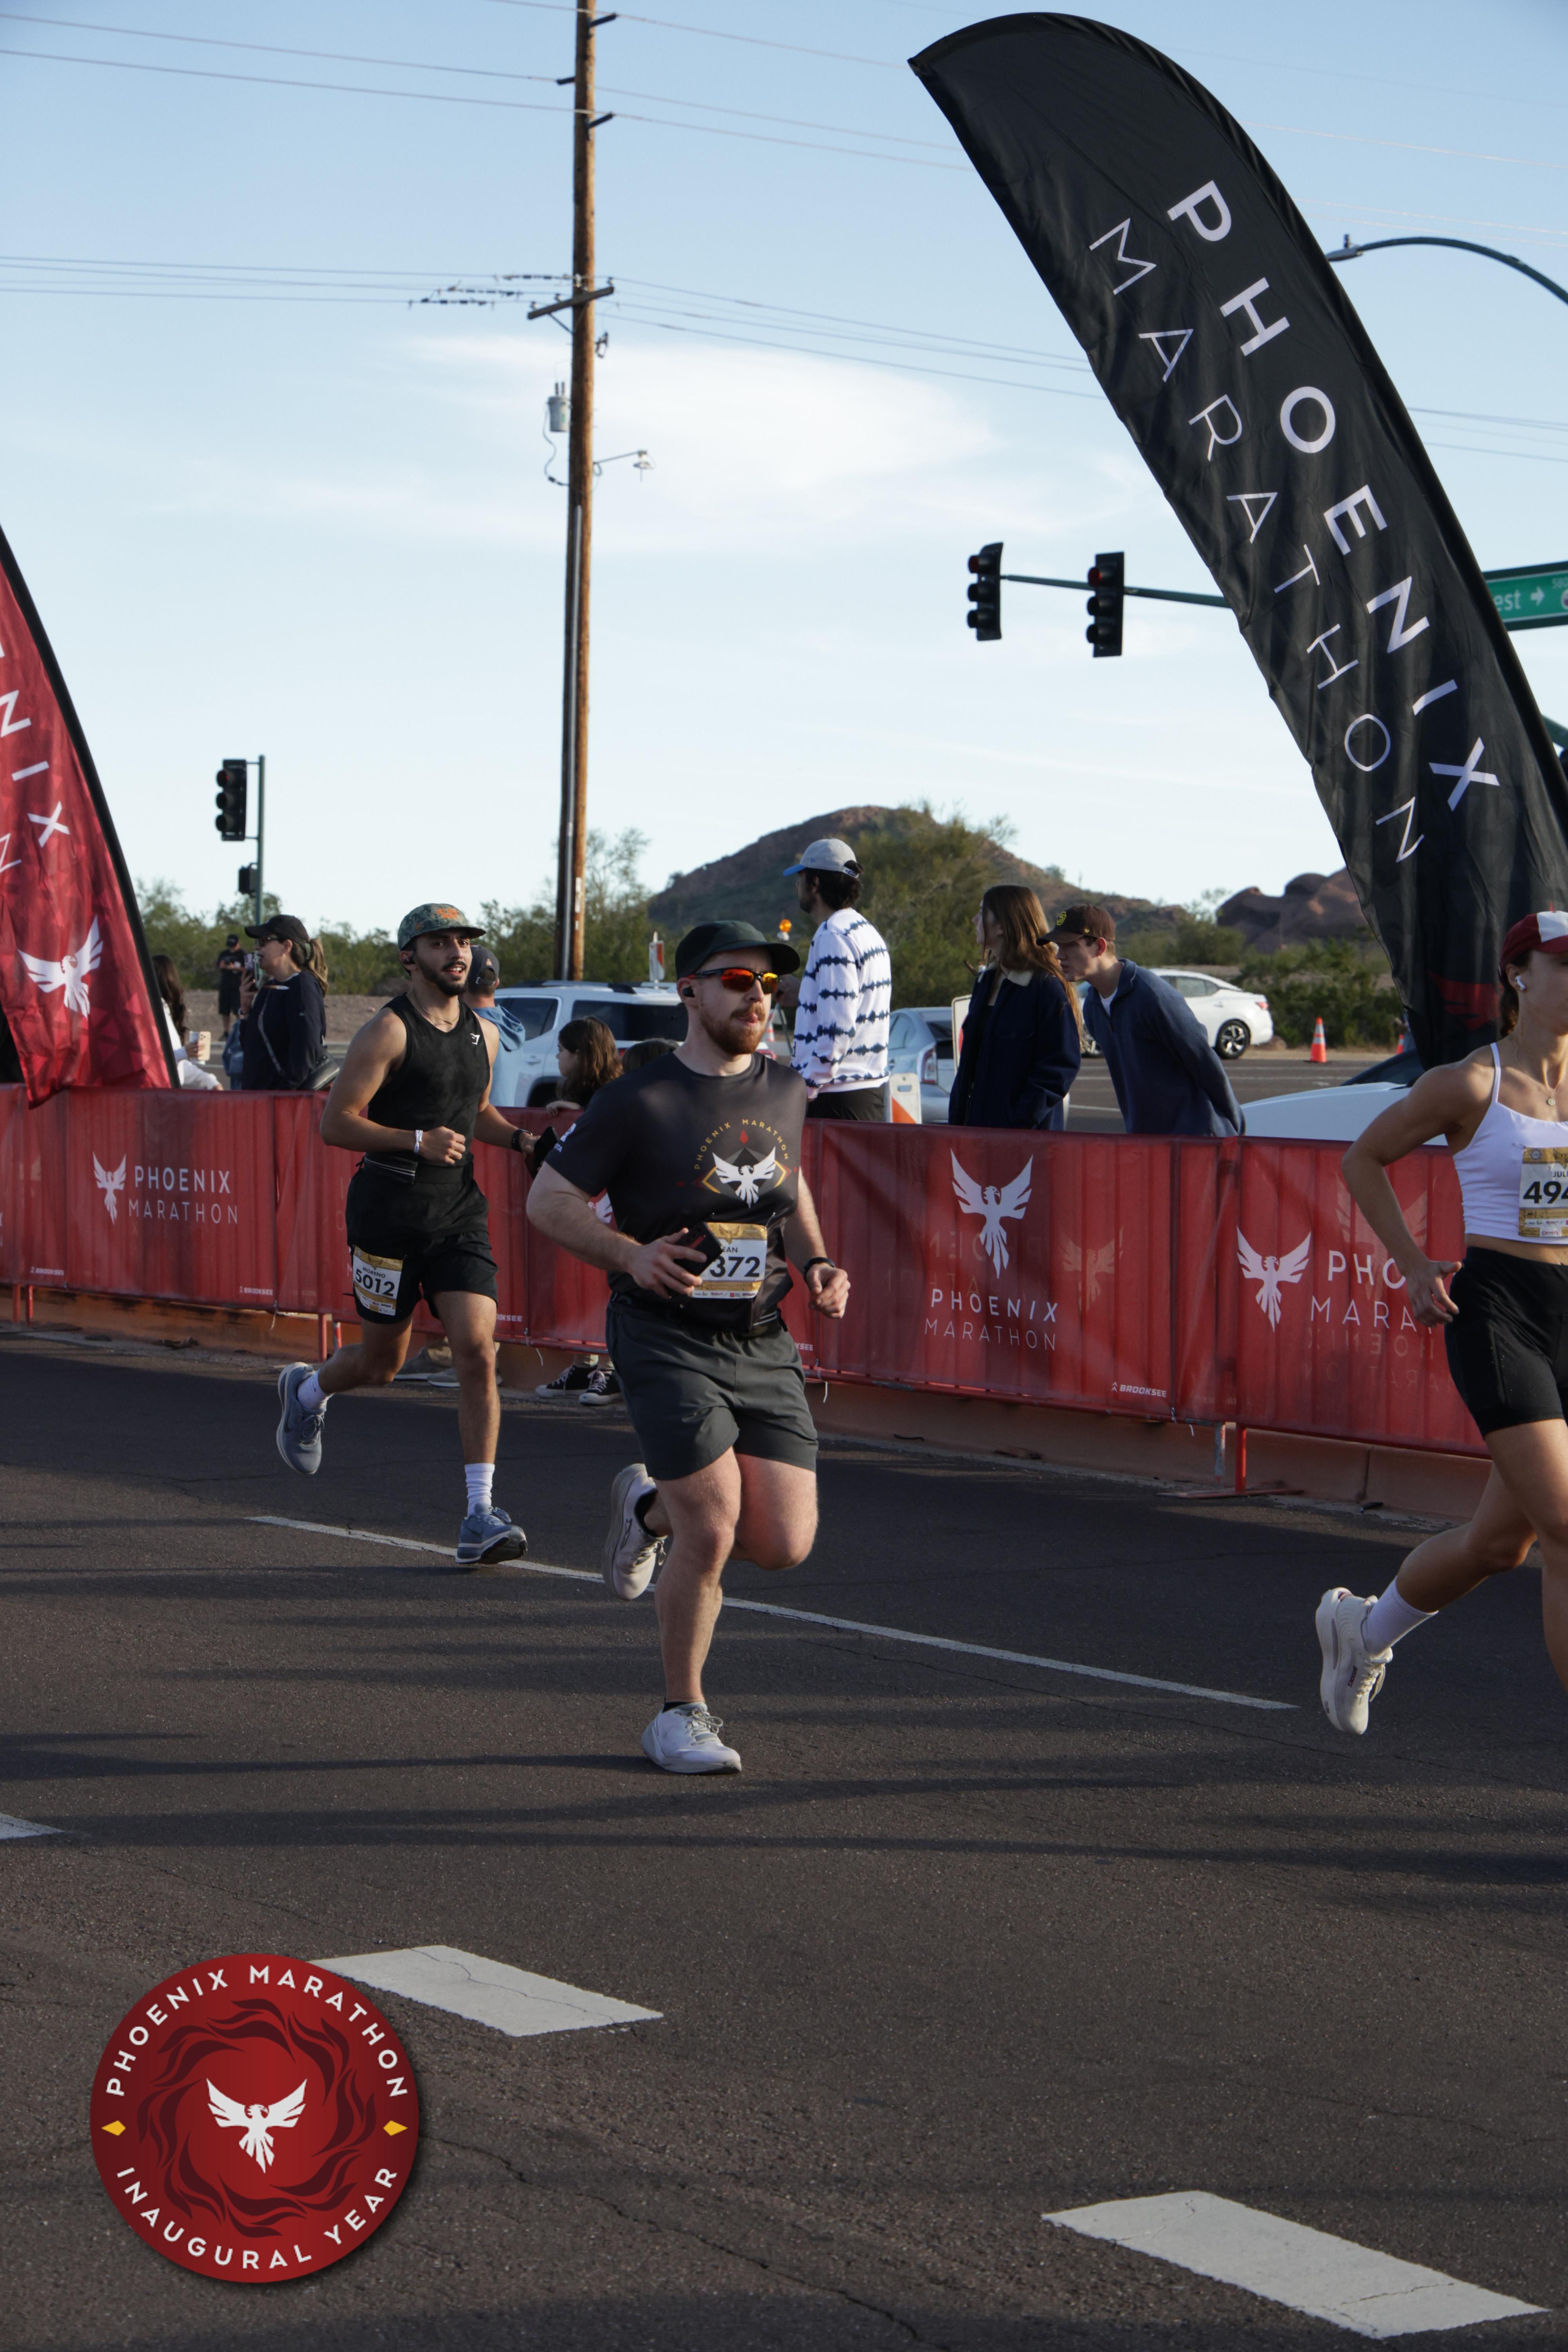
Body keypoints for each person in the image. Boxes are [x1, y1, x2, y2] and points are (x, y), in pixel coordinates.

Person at [526, 919, 850, 1773]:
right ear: (689, 992)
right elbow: (547, 1200)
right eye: (737, 981)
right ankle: (680, 1715)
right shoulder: (638, 1099)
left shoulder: (786, 1087)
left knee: (782, 1542)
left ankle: (645, 1509)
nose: (757, 997)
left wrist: (816, 1262)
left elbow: (790, 1182)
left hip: (761, 1336)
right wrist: (629, 1255)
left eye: (767, 985)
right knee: (711, 1527)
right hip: (665, 1334)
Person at [1327, 909, 1568, 1733]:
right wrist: (1412, 1262)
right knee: (1565, 1528)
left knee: (1499, 1546)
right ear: (1519, 976)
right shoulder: (1470, 1083)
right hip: (1501, 1314)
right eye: (1564, 966)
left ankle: (1362, 1632)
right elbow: (1362, 1159)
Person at [273, 904, 530, 1567]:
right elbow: (336, 1123)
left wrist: (523, 1141)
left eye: (464, 942)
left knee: (478, 1351)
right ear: (409, 957)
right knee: (381, 1364)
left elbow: (477, 1114)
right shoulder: (387, 1031)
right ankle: (307, 1392)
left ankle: (480, 1514)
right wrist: (416, 1140)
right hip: (387, 1215)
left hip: (458, 1215)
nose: (457, 953)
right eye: (440, 943)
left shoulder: (484, 1033)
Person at [1049, 903, 1242, 1137]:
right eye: (1059, 946)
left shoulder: (1152, 995)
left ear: (1100, 946)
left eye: (1070, 945)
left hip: (1196, 1138)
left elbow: (1204, 1061)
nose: (1059, 955)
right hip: (1147, 1141)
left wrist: (1236, 1129)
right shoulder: (1092, 1006)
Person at [949, 885, 1082, 1130]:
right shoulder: (985, 982)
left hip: (1022, 1141)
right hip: (973, 1131)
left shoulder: (1045, 987)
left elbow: (1059, 1067)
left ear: (1002, 926)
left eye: (982, 912)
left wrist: (1020, 1120)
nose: (975, 920)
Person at [782, 836, 891, 1119]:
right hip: (864, 1091)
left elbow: (838, 1027)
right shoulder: (864, 931)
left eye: (801, 878)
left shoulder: (833, 935)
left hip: (837, 1096)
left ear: (815, 883)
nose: (797, 886)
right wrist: (805, 994)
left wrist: (807, 1086)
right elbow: (852, 1004)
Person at [238, 916, 328, 1094]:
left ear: (286, 947)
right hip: (258, 1100)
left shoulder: (302, 988)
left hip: (283, 1103)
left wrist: (282, 1094)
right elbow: (251, 1048)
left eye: (263, 941)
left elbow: (305, 1052)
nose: (256, 947)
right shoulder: (269, 988)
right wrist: (246, 1010)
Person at [152, 953, 222, 1092]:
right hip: (156, 1094)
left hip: (166, 1094)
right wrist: (183, 1053)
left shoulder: (163, 1009)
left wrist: (208, 1080)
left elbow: (179, 1068)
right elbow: (149, 1061)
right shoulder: (153, 1012)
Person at [545, 1016, 621, 1114]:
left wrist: (579, 1111)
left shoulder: (608, 1094)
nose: (557, 1056)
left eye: (561, 1050)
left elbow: (605, 1118)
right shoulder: (585, 1088)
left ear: (579, 1055)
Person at [215, 934, 244, 1036]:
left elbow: (248, 969)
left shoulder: (242, 954)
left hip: (237, 985)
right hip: (225, 985)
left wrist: (234, 968)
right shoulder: (224, 954)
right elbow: (218, 966)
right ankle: (226, 1032)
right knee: (224, 1010)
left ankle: (239, 1030)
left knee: (238, 1010)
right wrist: (222, 966)